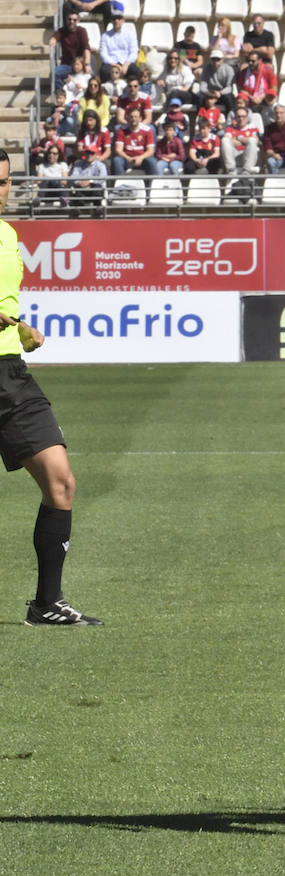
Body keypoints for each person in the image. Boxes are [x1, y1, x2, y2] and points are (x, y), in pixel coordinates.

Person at [0, 150, 101, 626]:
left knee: (60, 482)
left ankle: (47, 604)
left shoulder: (7, 236)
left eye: (3, 182)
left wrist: (21, 328)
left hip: (8, 374)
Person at [97, 5, 138, 82]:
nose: (116, 21)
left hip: (126, 63)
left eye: (119, 18)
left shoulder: (130, 34)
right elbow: (103, 54)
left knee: (135, 71)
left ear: (123, 20)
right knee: (103, 71)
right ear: (112, 21)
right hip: (111, 64)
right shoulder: (105, 36)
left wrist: (126, 64)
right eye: (114, 18)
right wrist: (115, 66)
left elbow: (134, 52)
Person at [48, 10, 91, 84]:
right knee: (55, 73)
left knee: (91, 79)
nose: (71, 21)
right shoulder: (62, 30)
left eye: (74, 20)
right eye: (69, 19)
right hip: (67, 65)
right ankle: (61, 93)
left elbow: (86, 48)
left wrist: (86, 64)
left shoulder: (82, 31)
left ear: (78, 21)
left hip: (80, 65)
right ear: (66, 20)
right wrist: (53, 40)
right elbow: (54, 38)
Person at [111, 106, 155, 175]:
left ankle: (152, 185)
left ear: (140, 118)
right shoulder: (121, 130)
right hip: (126, 158)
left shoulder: (147, 130)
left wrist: (140, 158)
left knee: (152, 161)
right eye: (131, 117)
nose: (133, 119)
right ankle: (119, 184)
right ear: (127, 118)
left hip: (142, 159)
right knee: (117, 160)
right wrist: (128, 158)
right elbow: (118, 150)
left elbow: (151, 151)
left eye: (136, 117)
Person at [235, 52, 277, 120]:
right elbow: (241, 89)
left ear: (260, 61)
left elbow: (274, 88)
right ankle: (242, 118)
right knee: (240, 99)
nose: (250, 63)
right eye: (248, 61)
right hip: (249, 98)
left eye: (253, 61)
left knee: (271, 96)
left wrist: (262, 97)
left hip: (264, 97)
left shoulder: (268, 71)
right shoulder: (244, 72)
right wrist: (252, 97)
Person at [221, 106, 260, 175]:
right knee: (224, 140)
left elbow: (255, 141)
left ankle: (247, 170)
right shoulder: (230, 128)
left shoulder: (253, 129)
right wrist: (245, 141)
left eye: (243, 116)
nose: (241, 119)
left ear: (247, 118)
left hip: (248, 154)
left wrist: (238, 138)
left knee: (252, 140)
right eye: (238, 116)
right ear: (235, 118)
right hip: (234, 154)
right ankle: (231, 170)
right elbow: (227, 140)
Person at [68, 146, 108, 215]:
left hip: (94, 188)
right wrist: (80, 182)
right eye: (87, 152)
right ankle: (79, 211)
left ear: (96, 155)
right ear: (84, 154)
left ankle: (97, 209)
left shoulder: (101, 165)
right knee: (77, 189)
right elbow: (73, 177)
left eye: (92, 153)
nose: (89, 155)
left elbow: (102, 178)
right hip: (82, 187)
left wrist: (89, 182)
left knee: (97, 187)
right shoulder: (78, 164)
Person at [201, 49, 238, 115]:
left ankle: (230, 118)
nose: (215, 61)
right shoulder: (206, 69)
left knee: (229, 98)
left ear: (222, 60)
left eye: (218, 59)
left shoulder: (228, 69)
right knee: (200, 98)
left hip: (223, 93)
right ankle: (202, 118)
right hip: (210, 93)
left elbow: (230, 87)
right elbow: (203, 86)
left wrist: (220, 93)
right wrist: (211, 94)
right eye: (213, 59)